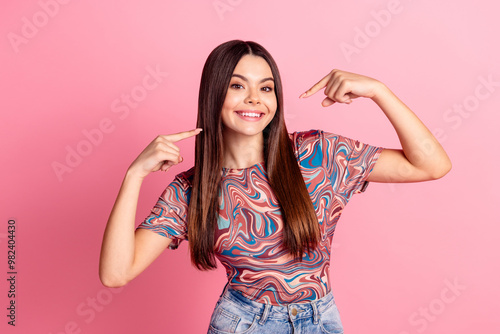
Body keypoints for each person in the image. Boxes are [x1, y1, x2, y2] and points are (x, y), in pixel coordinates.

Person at [99, 40, 451, 333]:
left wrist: (378, 91)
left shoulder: (318, 154)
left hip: (321, 321)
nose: (254, 98)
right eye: (238, 85)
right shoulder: (191, 190)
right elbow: (116, 273)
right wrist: (134, 175)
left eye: (265, 88)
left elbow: (432, 164)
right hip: (244, 323)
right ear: (213, 94)